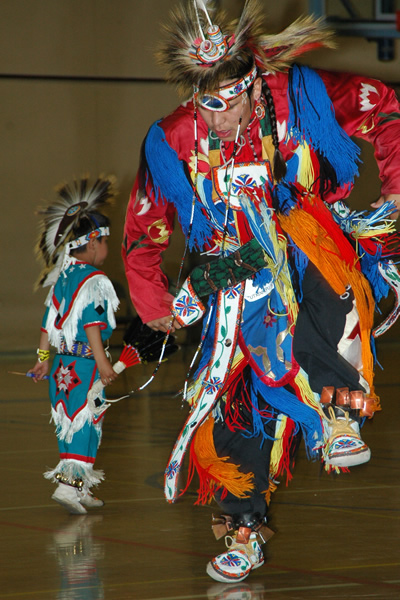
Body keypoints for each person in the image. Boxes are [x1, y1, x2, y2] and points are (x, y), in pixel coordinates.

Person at [122, 0, 400, 584]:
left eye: (229, 102)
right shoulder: (174, 136)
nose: (218, 120)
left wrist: (395, 199)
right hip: (232, 283)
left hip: (310, 246)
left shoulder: (299, 94)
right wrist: (157, 305)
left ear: (253, 83)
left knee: (314, 267)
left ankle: (338, 409)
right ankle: (243, 529)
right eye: (205, 105)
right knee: (234, 404)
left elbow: (386, 108)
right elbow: (146, 229)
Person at [29, 176, 120, 515]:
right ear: (93, 242)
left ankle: (78, 488)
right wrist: (104, 364)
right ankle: (69, 487)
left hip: (61, 367)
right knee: (86, 424)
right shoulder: (94, 280)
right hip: (85, 365)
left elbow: (48, 323)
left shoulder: (63, 277)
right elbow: (93, 327)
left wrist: (42, 360)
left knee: (70, 423)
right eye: (105, 242)